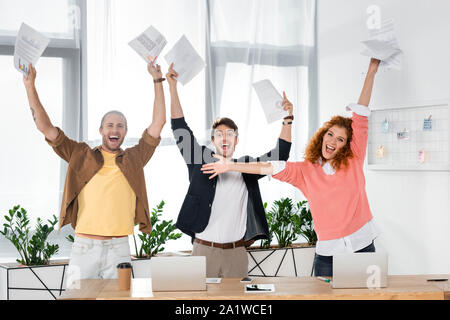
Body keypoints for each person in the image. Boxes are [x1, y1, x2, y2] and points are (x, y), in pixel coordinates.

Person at [201, 58, 381, 277]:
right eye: (330, 134)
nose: (333, 141)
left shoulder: (354, 158)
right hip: (328, 255)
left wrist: (372, 70)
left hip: (362, 247)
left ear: (347, 145)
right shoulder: (305, 171)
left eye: (341, 139)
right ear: (322, 136)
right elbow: (269, 167)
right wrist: (230, 166)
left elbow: (360, 116)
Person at [22, 62, 166, 283]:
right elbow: (46, 128)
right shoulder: (80, 154)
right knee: (77, 299)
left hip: (119, 248)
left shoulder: (134, 158)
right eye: (109, 125)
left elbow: (159, 123)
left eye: (120, 125)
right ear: (101, 130)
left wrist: (157, 80)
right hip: (84, 247)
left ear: (126, 131)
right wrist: (30, 85)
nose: (115, 129)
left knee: (119, 301)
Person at [166, 63, 293, 278]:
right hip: (204, 250)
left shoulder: (246, 167)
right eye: (219, 134)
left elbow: (280, 156)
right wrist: (172, 87)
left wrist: (288, 119)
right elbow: (180, 128)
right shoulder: (200, 160)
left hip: (236, 252)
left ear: (236, 139)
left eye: (230, 134)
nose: (224, 138)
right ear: (213, 140)